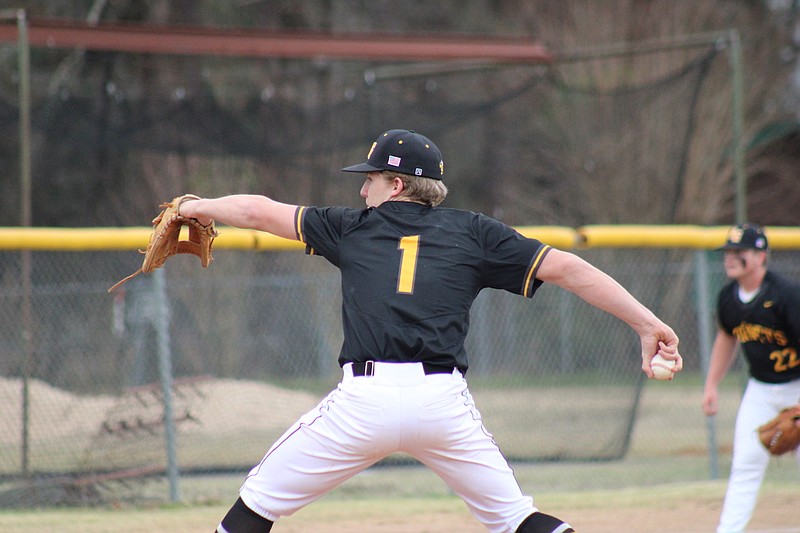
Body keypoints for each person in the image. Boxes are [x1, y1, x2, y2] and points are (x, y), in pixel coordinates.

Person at [179, 129, 682, 533]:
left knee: (254, 507)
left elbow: (257, 211)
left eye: (370, 179)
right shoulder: (476, 233)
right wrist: (647, 323)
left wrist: (193, 208)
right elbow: (570, 268)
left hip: (363, 404)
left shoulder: (350, 227)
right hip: (441, 402)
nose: (362, 189)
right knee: (516, 519)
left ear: (395, 185)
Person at [701, 223, 800, 533]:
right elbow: (726, 339)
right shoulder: (728, 297)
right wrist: (711, 385)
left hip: (797, 386)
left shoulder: (787, 295)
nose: (729, 258)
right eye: (727, 252)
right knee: (745, 463)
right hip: (760, 389)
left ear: (760, 256)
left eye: (738, 252)